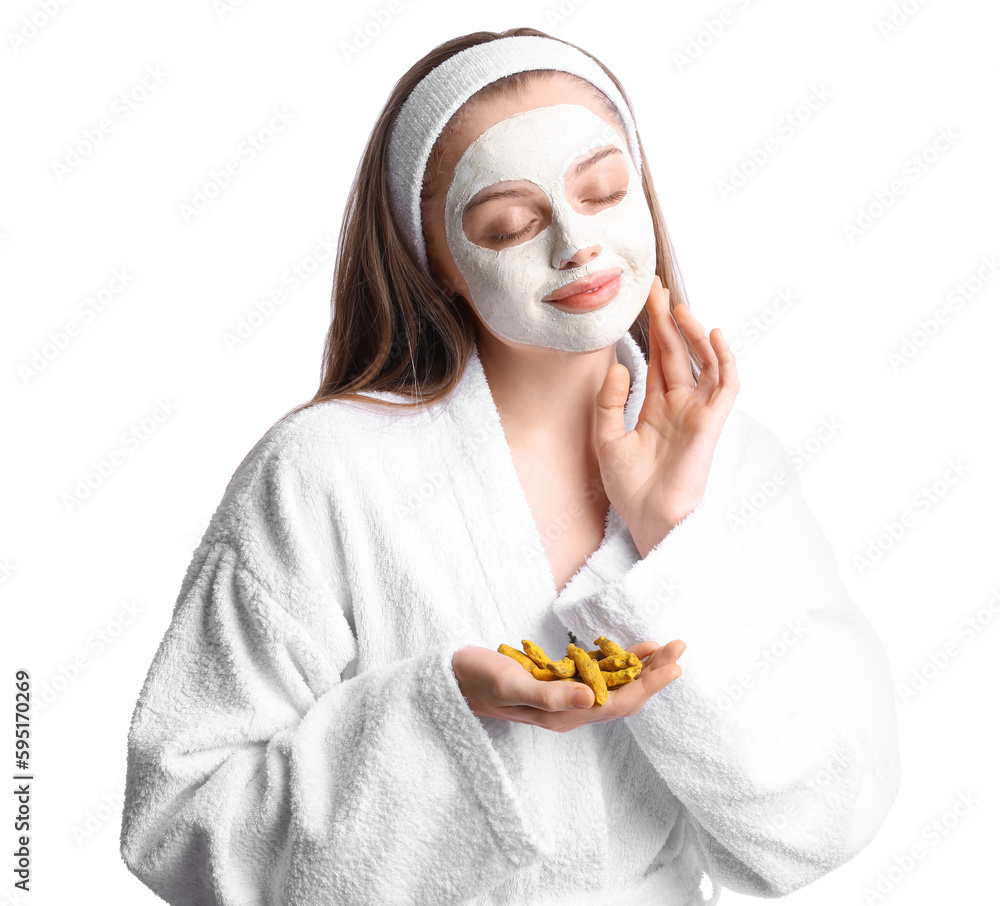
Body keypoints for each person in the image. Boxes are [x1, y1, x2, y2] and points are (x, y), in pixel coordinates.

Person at [119, 28, 902, 906]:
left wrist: (671, 540)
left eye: (605, 191)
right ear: (437, 262)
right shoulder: (323, 474)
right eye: (511, 223)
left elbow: (823, 819)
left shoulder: (733, 459)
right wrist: (444, 712)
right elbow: (178, 820)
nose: (576, 243)